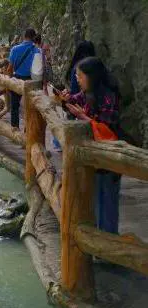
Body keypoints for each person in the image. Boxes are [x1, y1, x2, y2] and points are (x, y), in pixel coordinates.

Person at [59, 56, 121, 234]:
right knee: (95, 200)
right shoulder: (87, 93)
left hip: (109, 157)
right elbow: (74, 101)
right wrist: (64, 100)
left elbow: (108, 127)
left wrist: (83, 117)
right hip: (93, 157)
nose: (77, 80)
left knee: (107, 202)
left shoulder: (109, 96)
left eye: (80, 76)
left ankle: (108, 249)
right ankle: (98, 245)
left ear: (91, 76)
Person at [7, 28, 40, 128]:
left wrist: (9, 81)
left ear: (24, 36)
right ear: (34, 37)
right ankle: (28, 130)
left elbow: (9, 68)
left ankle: (14, 128)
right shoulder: (37, 50)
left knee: (15, 106)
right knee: (31, 107)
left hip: (17, 78)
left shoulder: (15, 49)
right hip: (31, 80)